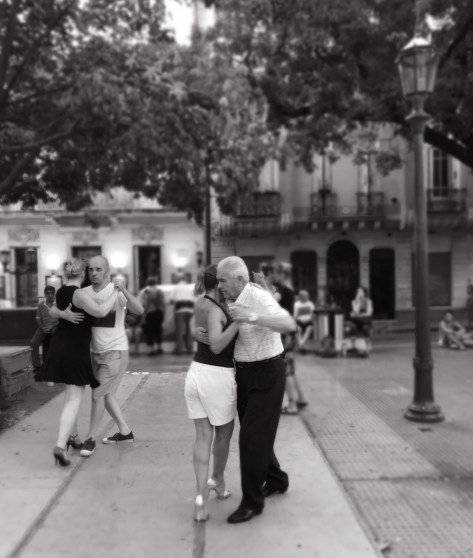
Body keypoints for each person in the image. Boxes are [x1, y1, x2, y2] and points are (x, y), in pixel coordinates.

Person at [217, 256, 297, 524]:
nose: (220, 285)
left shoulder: (255, 297)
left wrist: (251, 315)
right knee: (256, 435)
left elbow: (288, 323)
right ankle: (276, 479)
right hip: (245, 374)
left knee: (251, 439)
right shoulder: (229, 298)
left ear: (240, 279)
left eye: (223, 280)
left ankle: (252, 502)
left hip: (268, 373)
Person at [55, 255, 144, 458]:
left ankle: (91, 438)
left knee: (97, 396)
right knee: (107, 395)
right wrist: (63, 314)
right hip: (92, 353)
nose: (94, 274)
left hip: (115, 351)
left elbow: (139, 310)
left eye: (98, 269)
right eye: (90, 270)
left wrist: (123, 290)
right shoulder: (82, 293)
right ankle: (125, 431)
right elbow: (54, 308)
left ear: (107, 270)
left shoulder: (116, 291)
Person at [35, 259, 119, 467]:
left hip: (59, 346)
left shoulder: (62, 291)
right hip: (74, 350)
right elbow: (100, 312)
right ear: (83, 273)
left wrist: (62, 313)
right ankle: (60, 446)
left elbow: (52, 309)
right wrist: (117, 292)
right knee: (74, 400)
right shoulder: (79, 294)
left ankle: (71, 438)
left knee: (69, 398)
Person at [184, 265, 239, 522]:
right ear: (219, 283)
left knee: (202, 436)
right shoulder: (217, 309)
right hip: (217, 375)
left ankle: (199, 500)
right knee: (224, 434)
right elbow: (217, 345)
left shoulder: (200, 302)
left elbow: (199, 332)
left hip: (195, 373)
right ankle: (217, 479)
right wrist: (237, 322)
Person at [260, 261, 308, 415]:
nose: (274, 275)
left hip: (285, 335)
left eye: (276, 272)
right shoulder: (285, 290)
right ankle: (300, 398)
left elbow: (272, 305)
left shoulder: (284, 291)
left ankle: (293, 404)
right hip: (288, 333)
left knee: (286, 370)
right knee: (290, 369)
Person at [30, 286, 59, 381]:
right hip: (43, 327)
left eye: (52, 293)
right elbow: (38, 318)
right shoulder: (41, 304)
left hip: (55, 326)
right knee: (33, 342)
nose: (50, 295)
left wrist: (51, 327)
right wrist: (42, 327)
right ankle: (37, 366)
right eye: (48, 293)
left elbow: (62, 319)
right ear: (45, 295)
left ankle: (53, 367)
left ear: (54, 294)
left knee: (54, 344)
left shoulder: (59, 304)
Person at [139, 277, 166, 355]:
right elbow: (163, 303)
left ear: (147, 283)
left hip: (150, 313)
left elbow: (143, 303)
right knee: (158, 329)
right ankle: (160, 347)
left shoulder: (145, 291)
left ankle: (151, 349)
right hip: (159, 312)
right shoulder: (160, 291)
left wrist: (143, 315)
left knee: (150, 331)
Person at [171, 275, 195, 355]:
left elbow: (171, 299)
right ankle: (190, 348)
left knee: (180, 330)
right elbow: (195, 299)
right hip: (190, 310)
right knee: (189, 330)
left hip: (180, 310)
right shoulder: (190, 288)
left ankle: (179, 349)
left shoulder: (176, 288)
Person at [347, 286, 373, 356]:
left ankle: (368, 345)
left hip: (365, 321)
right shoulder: (353, 302)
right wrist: (358, 302)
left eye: (361, 291)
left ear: (364, 293)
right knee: (352, 327)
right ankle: (353, 346)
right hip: (356, 322)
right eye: (358, 292)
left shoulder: (368, 301)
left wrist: (357, 315)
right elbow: (355, 311)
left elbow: (369, 313)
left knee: (365, 328)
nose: (359, 293)